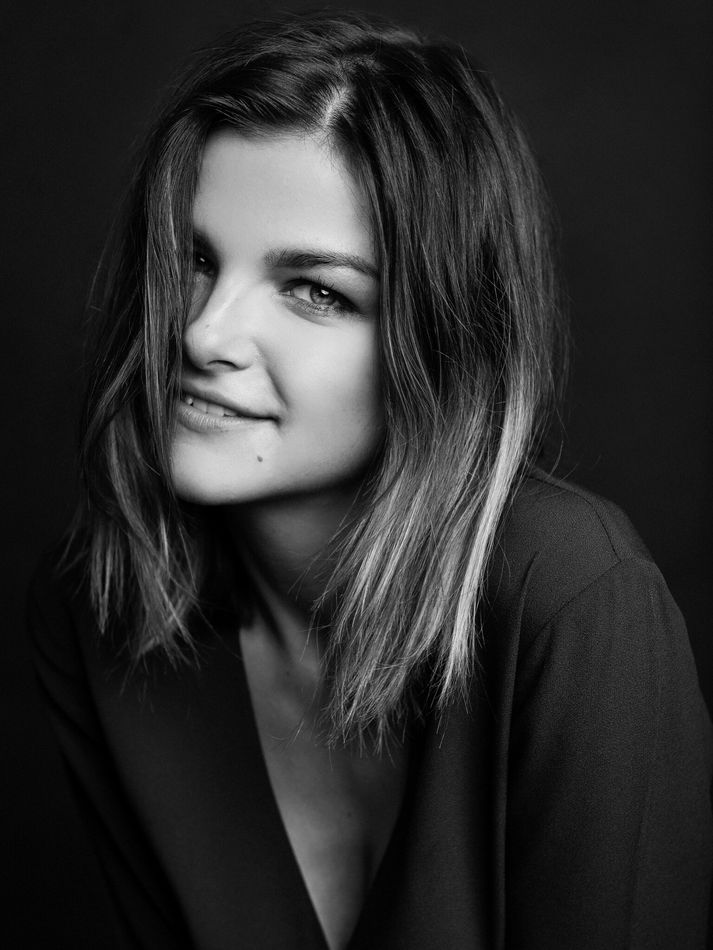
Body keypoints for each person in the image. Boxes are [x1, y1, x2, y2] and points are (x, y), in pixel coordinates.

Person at [27, 10, 712, 950]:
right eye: (192, 260)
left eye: (316, 291)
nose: (203, 333)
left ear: (444, 345)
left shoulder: (571, 599)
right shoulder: (94, 612)